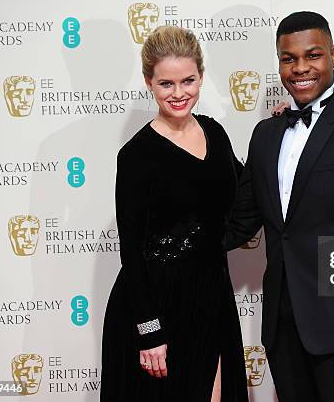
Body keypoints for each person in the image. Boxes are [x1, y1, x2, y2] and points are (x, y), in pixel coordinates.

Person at [226, 11, 334, 402]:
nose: (300, 68)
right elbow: (239, 222)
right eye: (288, 59)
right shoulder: (266, 134)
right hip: (282, 326)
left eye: (313, 55)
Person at [101, 25, 248, 402]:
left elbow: (249, 191)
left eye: (188, 81)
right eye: (166, 83)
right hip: (157, 308)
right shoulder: (136, 156)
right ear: (149, 82)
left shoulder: (215, 134)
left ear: (201, 76)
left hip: (212, 298)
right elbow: (131, 252)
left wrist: (278, 128)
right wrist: (149, 331)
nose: (179, 93)